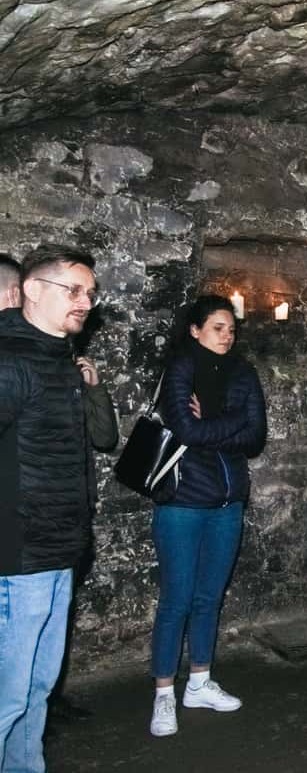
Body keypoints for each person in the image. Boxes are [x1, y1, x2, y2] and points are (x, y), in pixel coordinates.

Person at [0, 244, 106, 772]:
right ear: (31, 291)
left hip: (58, 552)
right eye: (75, 290)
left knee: (37, 689)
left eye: (90, 293)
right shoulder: (10, 358)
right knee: (5, 699)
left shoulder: (56, 358)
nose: (86, 301)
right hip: (18, 559)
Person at [148, 294, 268, 737]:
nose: (227, 335)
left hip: (228, 502)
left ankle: (199, 681)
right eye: (217, 327)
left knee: (208, 599)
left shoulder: (243, 372)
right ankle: (163, 693)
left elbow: (255, 439)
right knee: (176, 600)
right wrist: (232, 422)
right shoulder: (180, 368)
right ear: (195, 330)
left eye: (231, 329)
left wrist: (219, 420)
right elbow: (186, 430)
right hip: (181, 502)